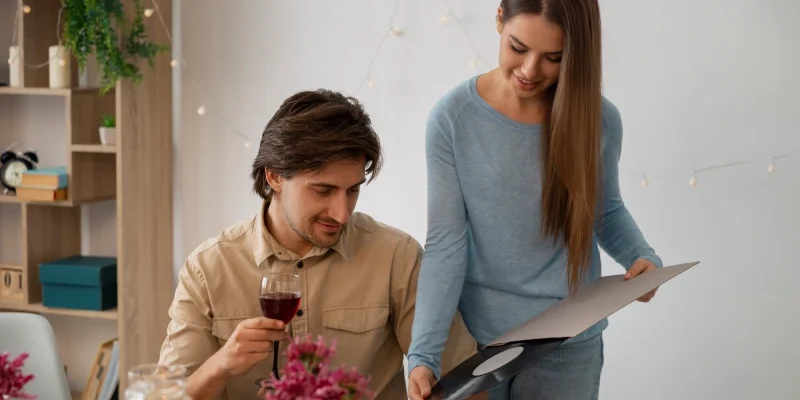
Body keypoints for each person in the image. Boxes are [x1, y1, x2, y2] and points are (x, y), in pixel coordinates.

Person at [406, 0, 664, 399]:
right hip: (475, 344)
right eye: (518, 48)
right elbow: (445, 245)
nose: (530, 71)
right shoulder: (453, 119)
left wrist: (641, 257)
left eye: (553, 58)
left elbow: (605, 211)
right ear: (498, 21)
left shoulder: (598, 119)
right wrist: (423, 354)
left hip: (568, 342)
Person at [158, 89, 481, 400]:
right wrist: (220, 366)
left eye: (352, 190)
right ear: (274, 177)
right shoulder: (208, 270)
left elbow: (467, 380)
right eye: (323, 191)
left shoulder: (397, 257)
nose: (342, 214)